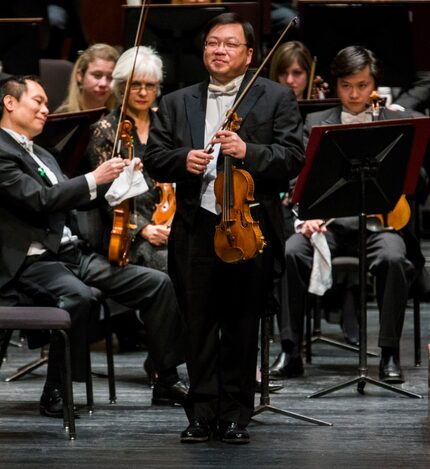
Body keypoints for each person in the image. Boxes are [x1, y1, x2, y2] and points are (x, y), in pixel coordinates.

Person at [144, 13, 304, 444]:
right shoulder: (178, 102)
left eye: (230, 44)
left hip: (250, 229)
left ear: (250, 55)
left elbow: (292, 157)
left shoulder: (275, 98)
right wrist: (183, 161)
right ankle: (200, 413)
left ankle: (235, 414)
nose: (219, 50)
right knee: (197, 324)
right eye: (213, 43)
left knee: (241, 324)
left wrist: (247, 149)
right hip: (196, 226)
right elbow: (155, 156)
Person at [0, 75, 187, 418]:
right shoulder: (1, 151)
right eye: (38, 101)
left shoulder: (42, 153)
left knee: (158, 284)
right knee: (78, 297)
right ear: (10, 103)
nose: (46, 109)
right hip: (34, 260)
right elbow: (39, 200)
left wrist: (117, 183)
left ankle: (166, 381)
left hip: (71, 254)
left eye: (45, 102)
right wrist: (92, 178)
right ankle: (55, 389)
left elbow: (71, 201)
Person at [269, 45, 428, 385]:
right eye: (346, 86)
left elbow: (418, 184)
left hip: (377, 227)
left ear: (375, 87)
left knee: (394, 257)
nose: (354, 94)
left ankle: (388, 353)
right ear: (335, 85)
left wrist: (410, 143)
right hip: (327, 227)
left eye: (362, 85)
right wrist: (304, 213)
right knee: (291, 251)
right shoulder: (315, 123)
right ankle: (289, 349)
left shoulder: (394, 121)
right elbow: (297, 178)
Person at [55, 43, 119, 113]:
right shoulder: (63, 116)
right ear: (80, 76)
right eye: (97, 75)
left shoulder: (118, 116)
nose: (103, 83)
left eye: (110, 78)